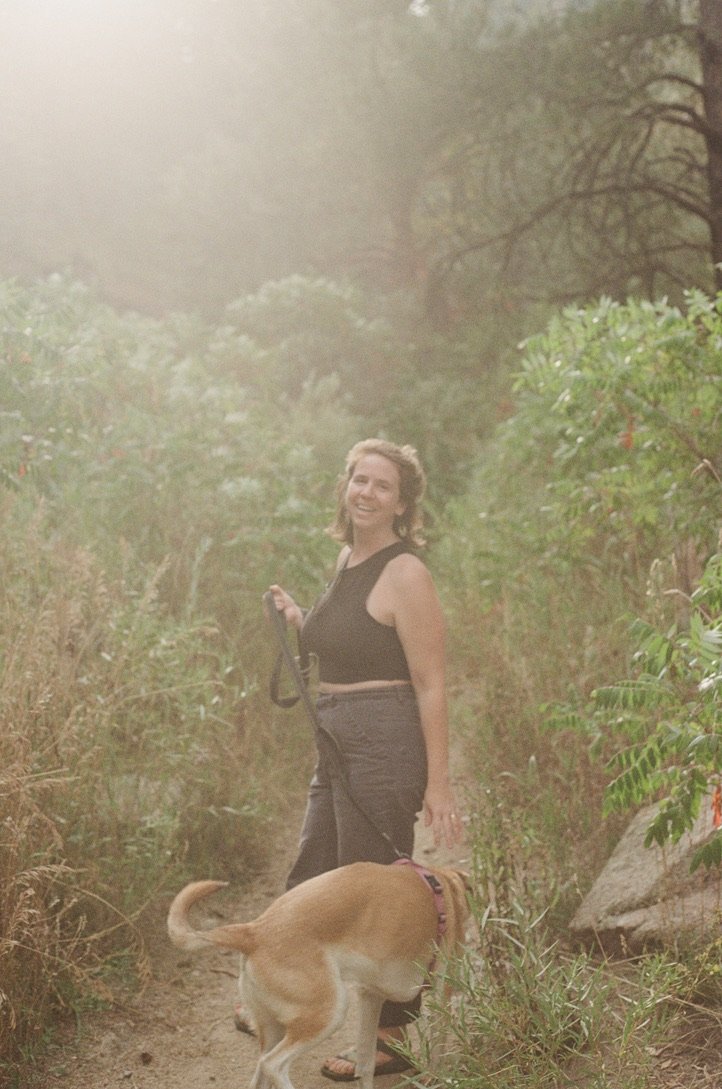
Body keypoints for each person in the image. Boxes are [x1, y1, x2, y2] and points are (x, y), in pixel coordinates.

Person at [266, 438, 463, 1081]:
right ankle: (291, 999)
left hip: (384, 735)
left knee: (376, 888)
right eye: (359, 479)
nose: (367, 492)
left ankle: (389, 1040)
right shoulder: (349, 557)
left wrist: (440, 781)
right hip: (336, 733)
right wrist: (299, 618)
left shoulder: (406, 572)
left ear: (402, 503)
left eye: (382, 485)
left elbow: (431, 682)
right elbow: (347, 642)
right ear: (345, 486)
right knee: (314, 869)